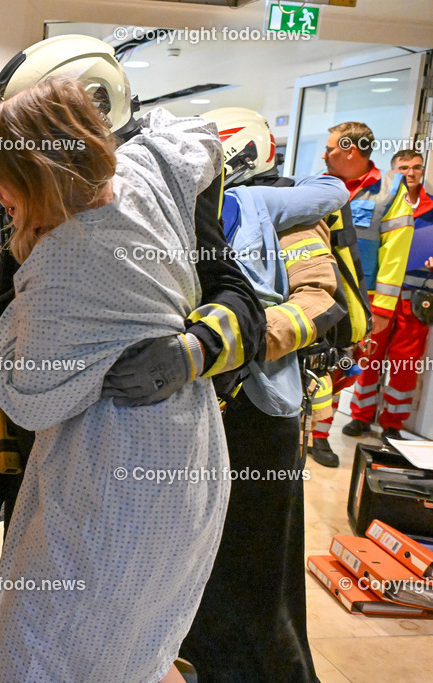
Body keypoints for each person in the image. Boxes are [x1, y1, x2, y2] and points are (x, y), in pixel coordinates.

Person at [0, 35, 264, 531]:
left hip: (130, 440)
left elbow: (239, 299)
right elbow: (8, 287)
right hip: (39, 433)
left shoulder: (153, 188)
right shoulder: (33, 184)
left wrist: (193, 351)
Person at [0, 76, 229, 682]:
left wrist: (3, 325)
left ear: (39, 170)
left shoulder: (64, 261)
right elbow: (199, 139)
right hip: (190, 440)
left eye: (1, 174)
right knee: (140, 635)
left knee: (35, 645)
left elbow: (27, 397)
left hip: (114, 470)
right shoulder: (145, 173)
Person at [178, 107, 347, 682]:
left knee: (254, 562)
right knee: (191, 555)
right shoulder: (187, 211)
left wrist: (246, 341)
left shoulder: (289, 216)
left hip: (261, 413)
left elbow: (320, 303)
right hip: (197, 408)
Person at [309, 122, 414, 466]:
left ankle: (321, 436)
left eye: (331, 149)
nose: (324, 155)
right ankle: (306, 432)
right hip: (315, 289)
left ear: (351, 150)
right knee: (310, 363)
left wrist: (382, 308)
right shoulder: (319, 184)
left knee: (342, 364)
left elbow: (396, 253)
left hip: (359, 301)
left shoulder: (390, 189)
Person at [341, 149, 433, 444]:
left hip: (415, 297)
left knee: (405, 363)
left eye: (417, 167)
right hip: (378, 295)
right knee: (369, 357)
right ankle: (360, 416)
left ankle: (393, 422)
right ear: (393, 171)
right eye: (404, 167)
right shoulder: (381, 201)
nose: (411, 172)